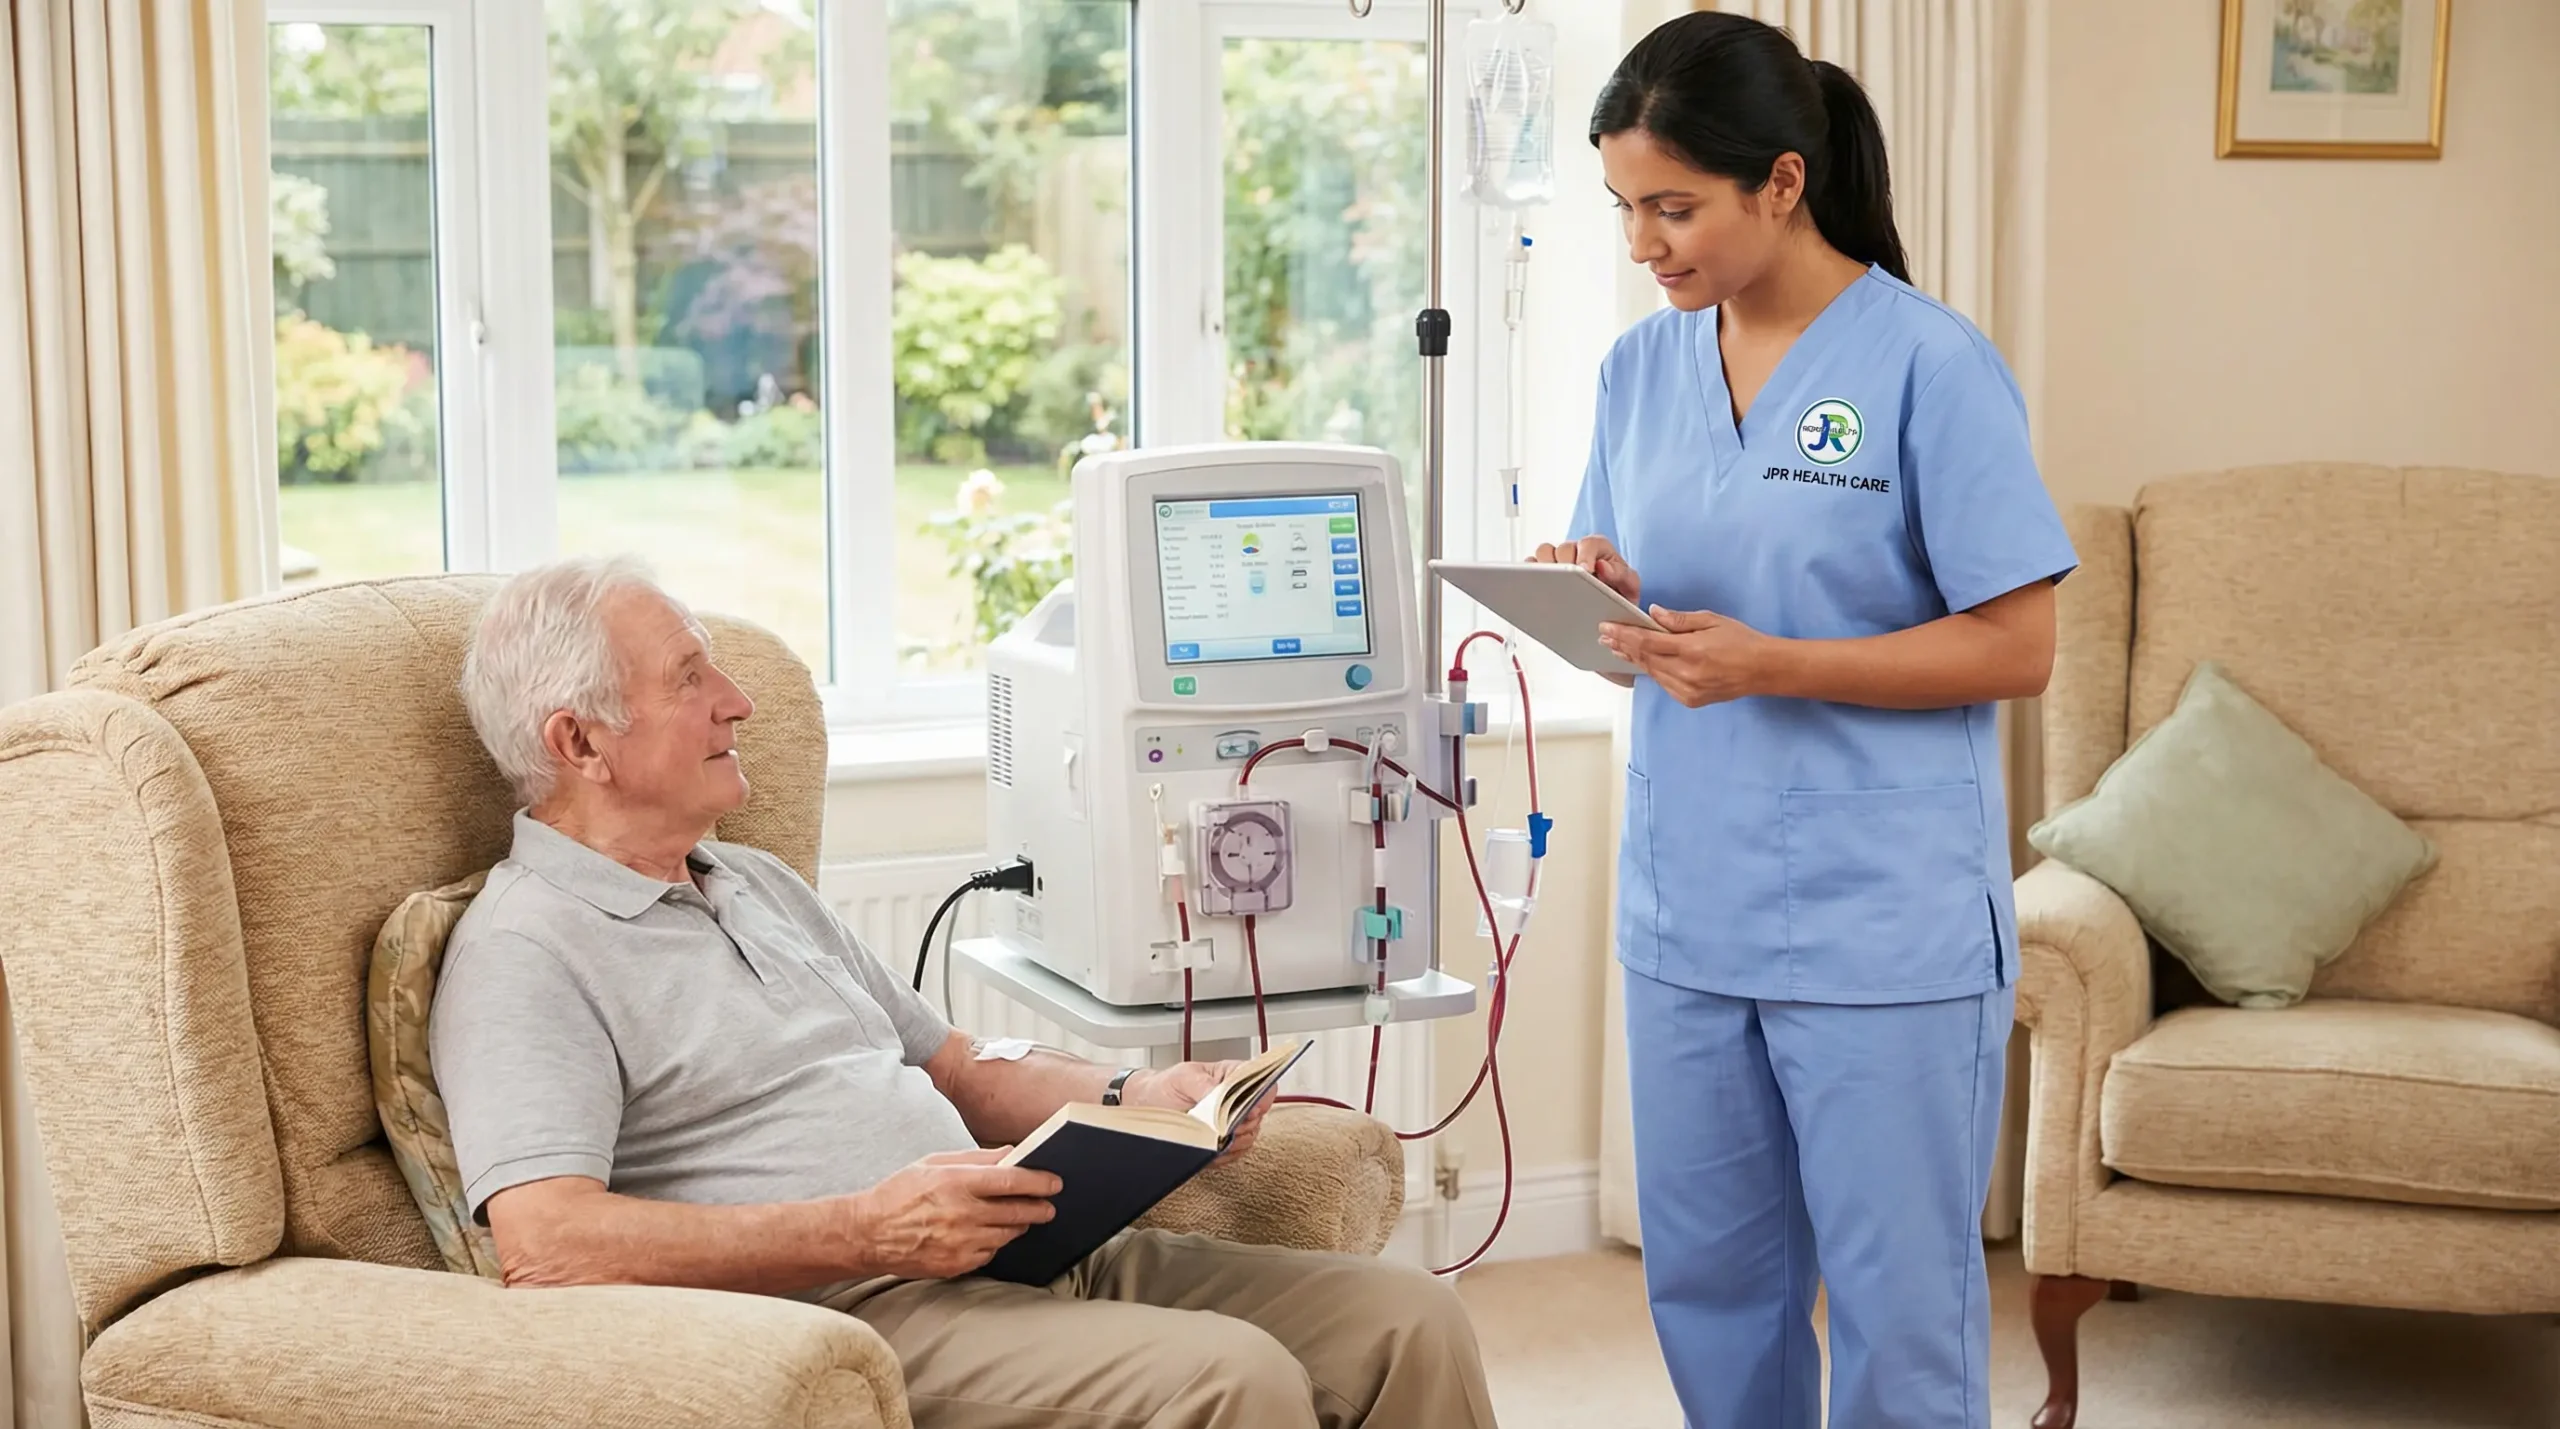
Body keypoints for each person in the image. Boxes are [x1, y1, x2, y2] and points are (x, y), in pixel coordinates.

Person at [434, 556, 1497, 1429]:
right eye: (688, 680)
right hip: (851, 1309)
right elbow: (545, 1242)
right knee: (1232, 1380)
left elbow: (955, 1064)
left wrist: (1138, 1092)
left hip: (1024, 1250)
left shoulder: (749, 879)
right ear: (579, 742)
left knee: (1410, 1318)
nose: (737, 702)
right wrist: (866, 1228)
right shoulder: (525, 947)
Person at [1533, 13, 2078, 1429]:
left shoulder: (1929, 366)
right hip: (1687, 908)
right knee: (1713, 1285)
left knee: (1902, 1309)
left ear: (1781, 182)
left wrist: (1780, 664)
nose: (1645, 244)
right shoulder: (1638, 371)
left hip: (1880, 923)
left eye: (1674, 207)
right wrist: (1606, 602)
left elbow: (2020, 647)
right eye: (1625, 210)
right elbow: (1651, 637)